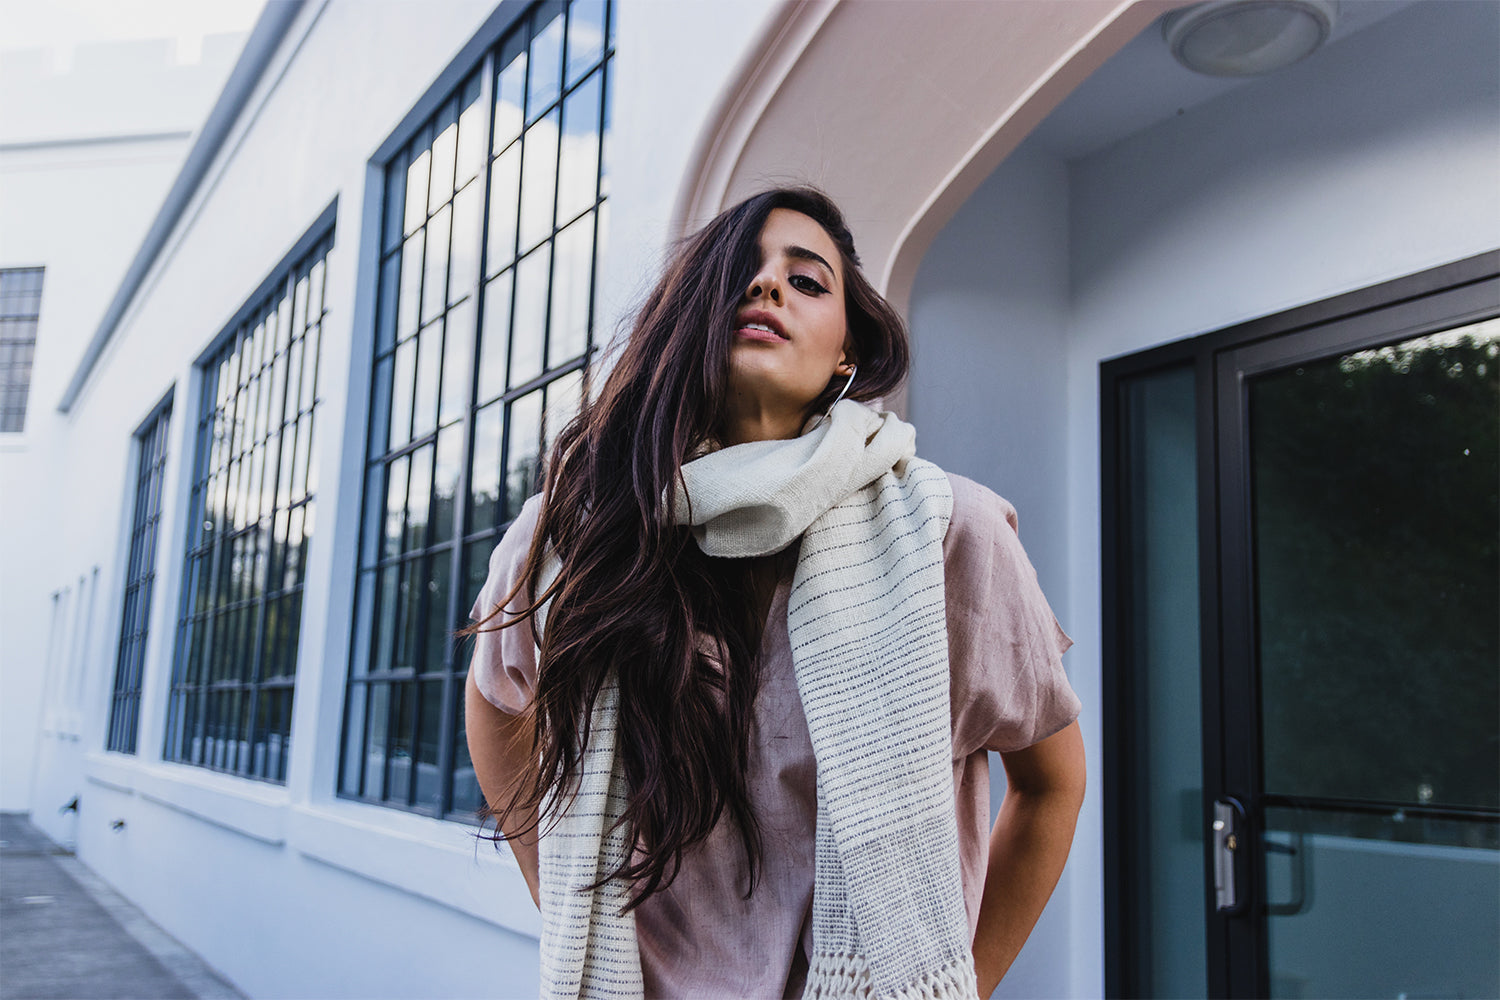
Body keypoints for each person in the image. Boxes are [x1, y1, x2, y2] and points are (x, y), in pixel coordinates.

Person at [464, 187, 1085, 1000]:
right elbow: (495, 701)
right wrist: (569, 910)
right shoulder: (580, 535)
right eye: (740, 275)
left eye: (807, 281)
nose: (767, 289)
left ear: (845, 356)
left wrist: (966, 985)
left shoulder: (947, 534)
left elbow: (1052, 782)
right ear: (687, 322)